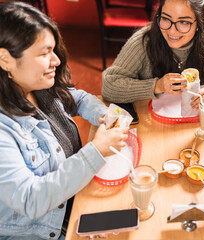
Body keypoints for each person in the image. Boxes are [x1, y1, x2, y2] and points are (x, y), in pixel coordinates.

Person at [0, 2, 128, 239]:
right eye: (44, 53)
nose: (56, 61)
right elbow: (30, 199)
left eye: (54, 50)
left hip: (75, 198)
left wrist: (104, 114)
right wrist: (96, 150)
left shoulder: (36, 85)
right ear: (5, 59)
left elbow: (75, 97)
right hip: (48, 229)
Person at [102, 0, 204, 109]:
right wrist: (156, 86)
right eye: (166, 19)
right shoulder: (144, 41)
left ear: (199, 23)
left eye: (184, 22)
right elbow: (109, 86)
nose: (172, 31)